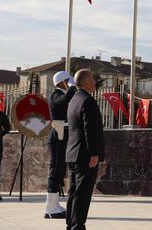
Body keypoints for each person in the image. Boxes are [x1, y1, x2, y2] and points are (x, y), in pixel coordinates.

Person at [65, 69, 105, 230]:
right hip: (85, 155)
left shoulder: (74, 99)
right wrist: (94, 153)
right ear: (87, 82)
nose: (95, 82)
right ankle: (77, 226)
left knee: (74, 191)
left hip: (73, 153)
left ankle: (71, 224)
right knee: (82, 194)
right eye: (93, 79)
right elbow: (90, 130)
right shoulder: (87, 101)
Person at [44, 70, 78, 219]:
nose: (71, 84)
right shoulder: (55, 95)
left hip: (64, 135)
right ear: (61, 82)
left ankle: (55, 204)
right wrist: (71, 88)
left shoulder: (64, 95)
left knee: (60, 171)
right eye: (68, 81)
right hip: (58, 135)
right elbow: (63, 101)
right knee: (55, 170)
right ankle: (49, 208)